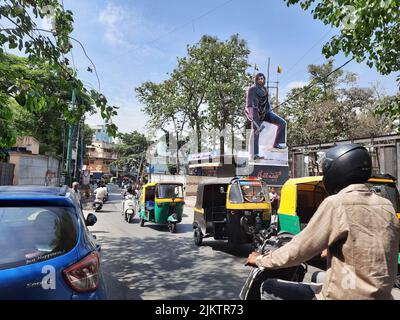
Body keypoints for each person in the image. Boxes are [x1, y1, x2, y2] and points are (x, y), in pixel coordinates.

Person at [246, 144, 400, 300]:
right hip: (381, 295)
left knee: (268, 286)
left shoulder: (336, 203)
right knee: (317, 276)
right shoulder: (386, 205)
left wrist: (261, 259)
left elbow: (299, 249)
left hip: (345, 296)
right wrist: (332, 248)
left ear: (337, 170)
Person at [246, 73, 287, 160]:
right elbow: (249, 103)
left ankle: (277, 144)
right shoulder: (252, 89)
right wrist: (250, 113)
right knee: (256, 132)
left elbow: (267, 103)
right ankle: (254, 154)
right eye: (259, 79)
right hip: (256, 113)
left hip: (266, 112)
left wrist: (269, 112)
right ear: (256, 80)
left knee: (282, 123)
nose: (261, 80)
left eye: (262, 79)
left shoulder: (265, 89)